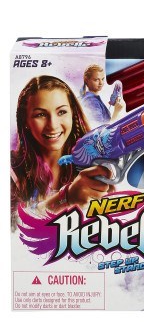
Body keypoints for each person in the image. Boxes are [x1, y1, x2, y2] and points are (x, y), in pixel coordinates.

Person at [11, 75, 113, 219]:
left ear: (73, 114)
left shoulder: (96, 163)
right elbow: (15, 227)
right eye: (40, 114)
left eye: (61, 112)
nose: (53, 125)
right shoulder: (12, 169)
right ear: (25, 121)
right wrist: (66, 198)